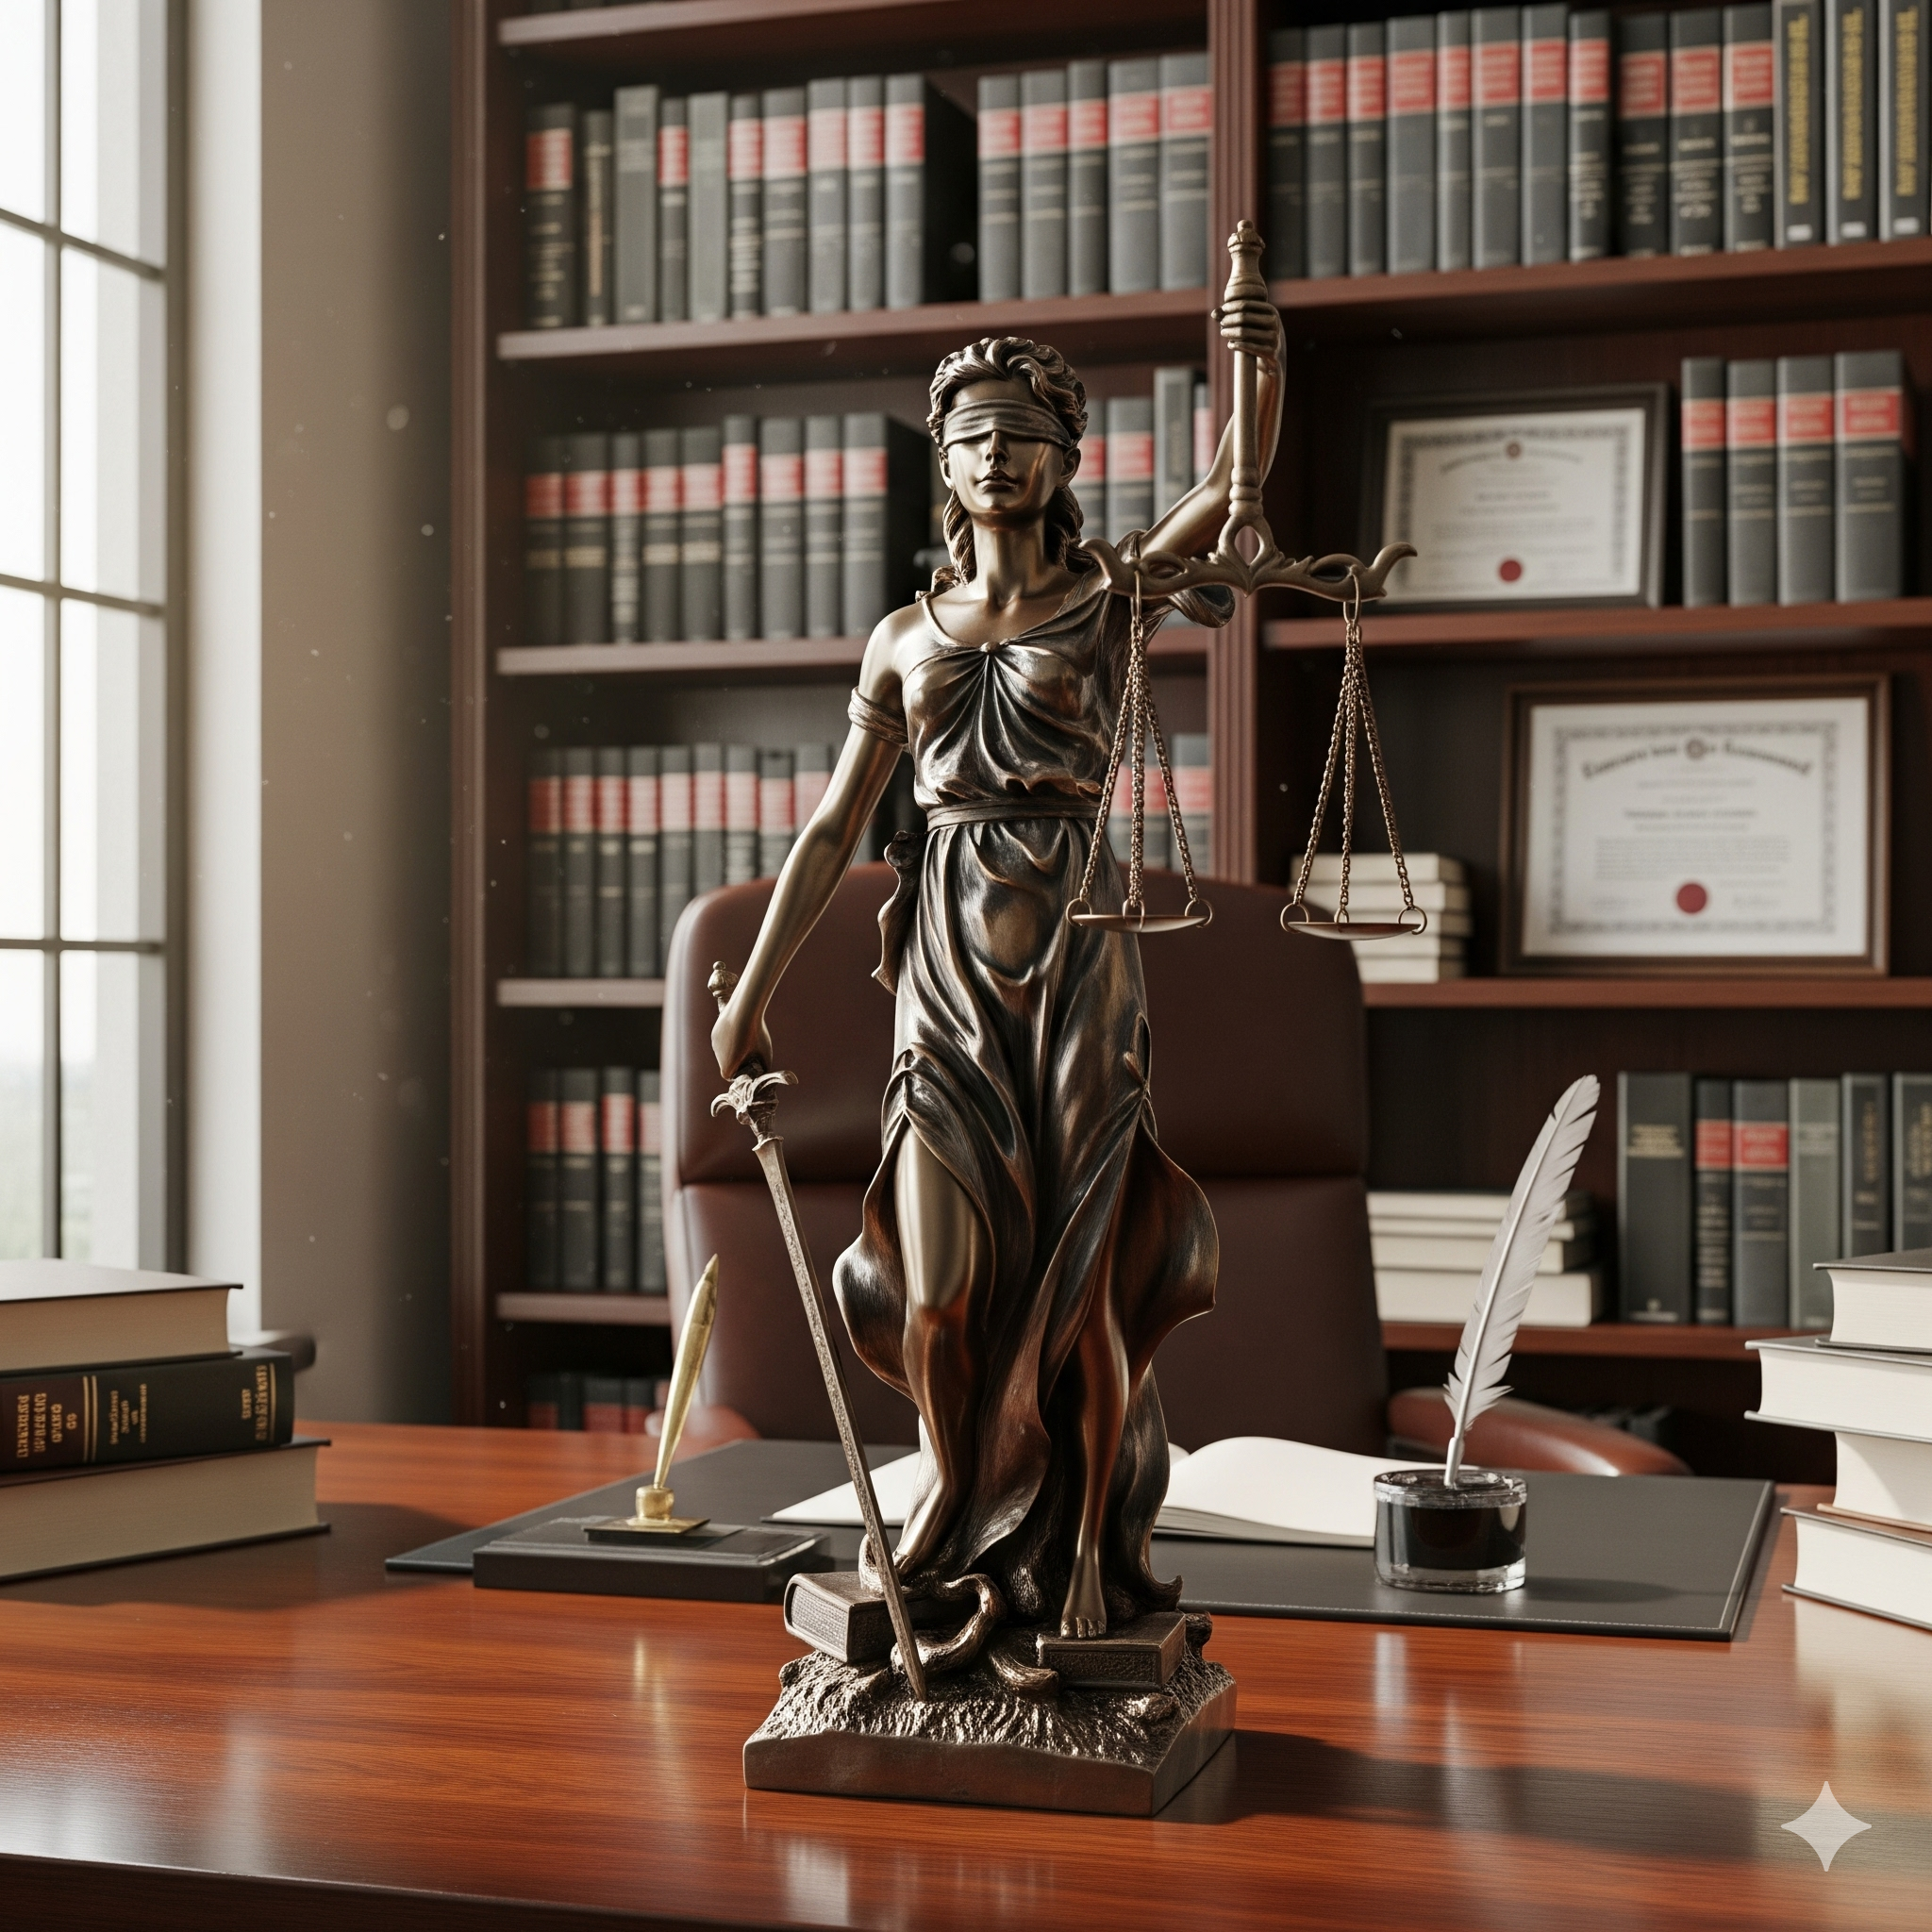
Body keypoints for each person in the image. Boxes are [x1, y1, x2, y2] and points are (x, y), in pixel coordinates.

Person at [711, 298, 1285, 1644]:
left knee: (1081, 1273)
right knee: (942, 1282)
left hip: (1082, 962)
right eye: (972, 436)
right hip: (946, 968)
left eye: (1026, 437)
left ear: (1065, 463)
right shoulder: (902, 638)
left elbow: (1235, 485)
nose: (997, 458)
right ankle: (955, 1492)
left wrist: (1252, 341)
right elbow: (833, 827)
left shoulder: (1111, 598)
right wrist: (747, 996)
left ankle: (1080, 1550)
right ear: (944, 462)